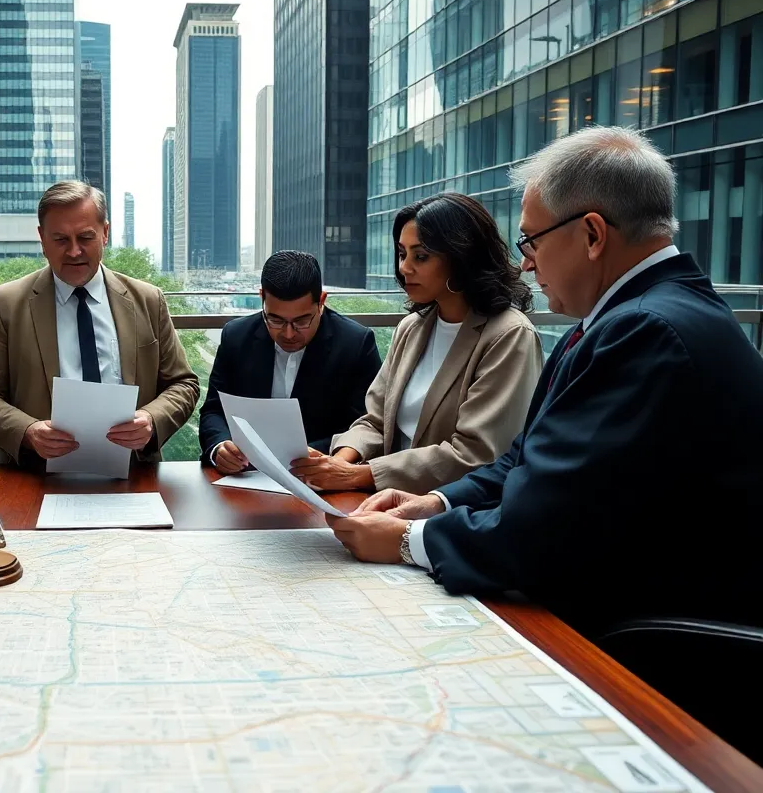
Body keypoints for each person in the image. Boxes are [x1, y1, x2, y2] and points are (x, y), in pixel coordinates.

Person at [330, 126, 763, 634]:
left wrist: (408, 540)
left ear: (592, 235)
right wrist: (438, 501)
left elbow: (542, 532)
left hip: (647, 634)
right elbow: (525, 458)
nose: (526, 261)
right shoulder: (638, 315)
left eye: (532, 239)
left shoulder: (645, 331)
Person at [290, 192, 541, 494]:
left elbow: (477, 455)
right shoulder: (412, 328)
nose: (404, 268)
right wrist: (337, 463)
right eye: (401, 254)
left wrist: (357, 475)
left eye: (420, 256)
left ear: (461, 258)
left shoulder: (509, 335)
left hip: (453, 512)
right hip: (385, 499)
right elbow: (375, 421)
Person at [0, 181, 199, 470]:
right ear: (42, 238)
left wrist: (151, 419)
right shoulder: (6, 303)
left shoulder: (148, 300)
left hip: (133, 475)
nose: (74, 252)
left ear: (105, 233)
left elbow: (183, 384)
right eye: (61, 240)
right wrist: (27, 431)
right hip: (34, 478)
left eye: (85, 238)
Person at [199, 251, 381, 473]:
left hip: (321, 476)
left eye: (302, 321)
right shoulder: (236, 336)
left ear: (321, 301)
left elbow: (363, 425)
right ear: (262, 298)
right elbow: (213, 410)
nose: (288, 333)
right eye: (275, 319)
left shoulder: (355, 343)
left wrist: (308, 458)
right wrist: (220, 447)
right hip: (244, 475)